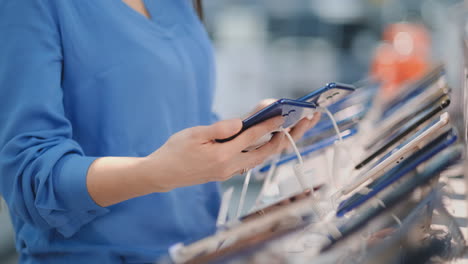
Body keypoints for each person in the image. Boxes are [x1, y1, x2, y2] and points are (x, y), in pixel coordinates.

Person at [0, 0, 320, 263]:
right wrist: (154, 172)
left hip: (199, 253)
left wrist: (244, 140)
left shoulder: (180, 4)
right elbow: (29, 178)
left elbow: (169, 123)